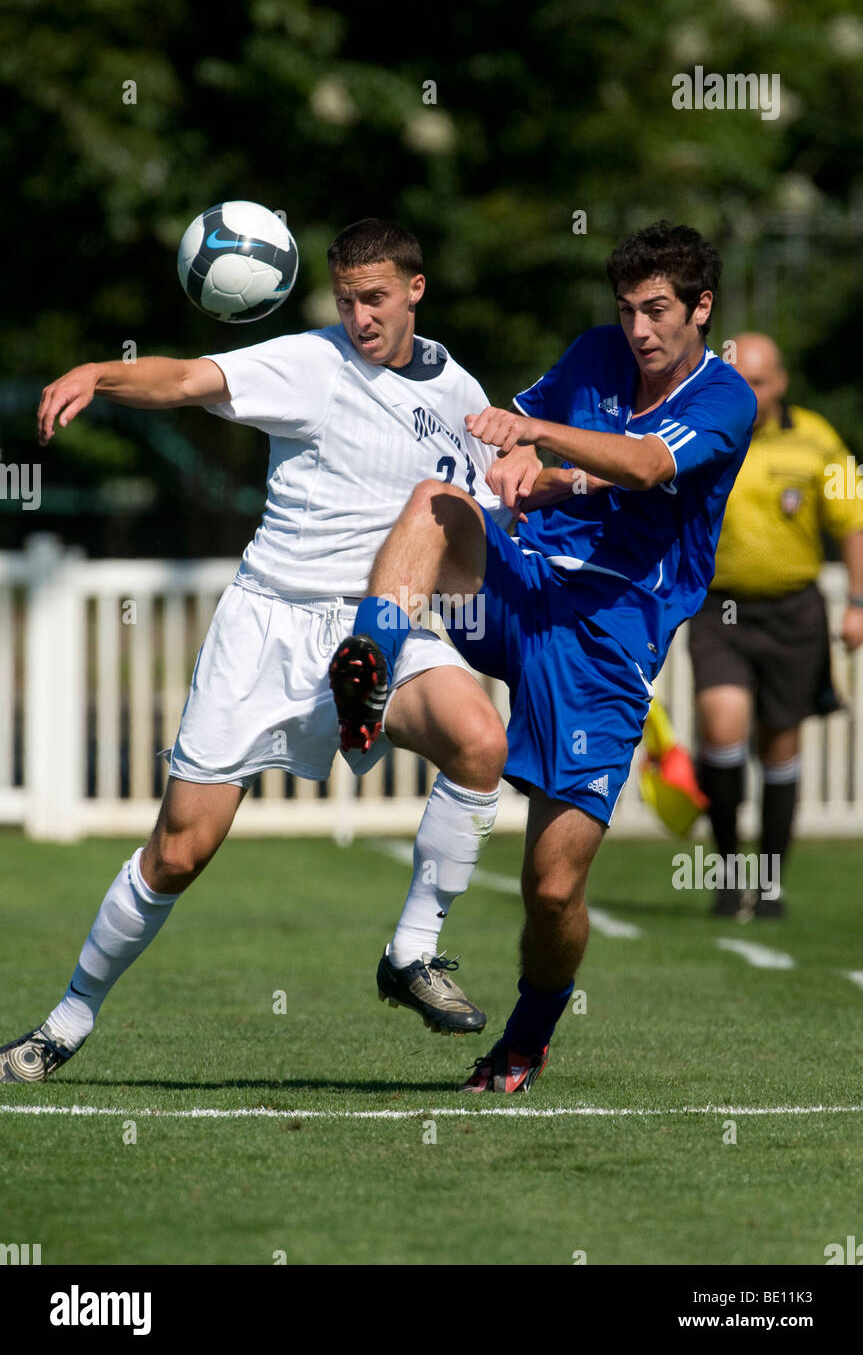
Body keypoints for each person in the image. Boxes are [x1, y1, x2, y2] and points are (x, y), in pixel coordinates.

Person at [0, 217, 538, 1085]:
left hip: (380, 627)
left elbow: (478, 516)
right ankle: (65, 1021)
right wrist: (99, 372)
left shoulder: (459, 391)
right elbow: (185, 378)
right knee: (179, 851)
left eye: (375, 297)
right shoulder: (309, 363)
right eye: (346, 298)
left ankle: (411, 952)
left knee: (480, 740)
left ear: (415, 290)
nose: (359, 315)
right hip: (267, 628)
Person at [331, 221, 757, 1093]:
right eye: (627, 311)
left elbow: (641, 465)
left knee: (552, 887)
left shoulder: (725, 400)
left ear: (700, 308)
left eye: (657, 310)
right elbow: (517, 436)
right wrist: (520, 456)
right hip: (523, 582)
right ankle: (365, 667)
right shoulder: (597, 353)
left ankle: (524, 1040)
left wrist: (542, 440)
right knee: (437, 501)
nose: (637, 331)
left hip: (607, 640)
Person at [688, 332, 863, 919]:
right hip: (720, 610)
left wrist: (858, 601)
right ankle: (730, 872)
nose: (750, 393)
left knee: (780, 743)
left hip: (793, 610)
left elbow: (853, 521)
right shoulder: (706, 431)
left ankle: (770, 884)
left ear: (781, 382)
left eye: (759, 382)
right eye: (740, 381)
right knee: (722, 725)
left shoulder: (820, 441)